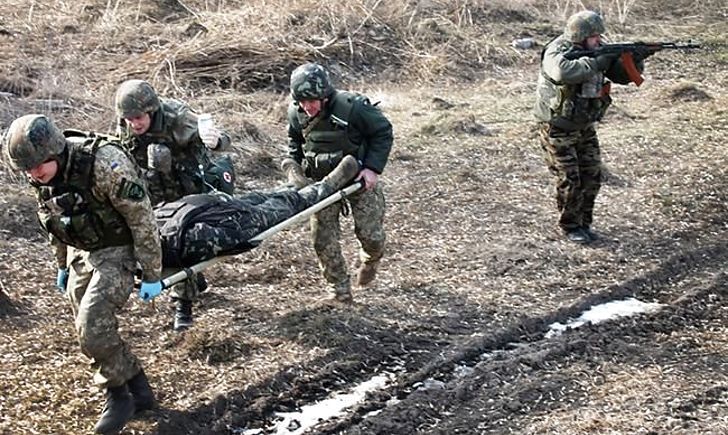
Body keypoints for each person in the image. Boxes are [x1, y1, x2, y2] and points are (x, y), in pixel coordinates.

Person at [3, 114, 163, 434]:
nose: (34, 174)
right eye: (28, 169)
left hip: (119, 247)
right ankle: (139, 387)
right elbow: (53, 220)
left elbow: (141, 216)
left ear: (54, 150)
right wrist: (62, 264)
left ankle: (118, 397)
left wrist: (151, 271)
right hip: (83, 250)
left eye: (38, 166)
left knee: (92, 324)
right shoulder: (41, 175)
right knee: (87, 330)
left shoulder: (104, 163)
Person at [114, 79, 233, 330]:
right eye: (129, 119)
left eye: (139, 118)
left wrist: (215, 140)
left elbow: (222, 140)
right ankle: (193, 280)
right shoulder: (125, 124)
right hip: (154, 188)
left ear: (151, 110)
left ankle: (183, 304)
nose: (134, 124)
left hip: (187, 186)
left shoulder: (178, 118)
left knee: (178, 238)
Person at [282, 63, 393, 303]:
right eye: (302, 101)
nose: (307, 107)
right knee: (323, 240)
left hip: (358, 180)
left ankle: (370, 259)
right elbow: (294, 142)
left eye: (312, 101)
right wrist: (294, 168)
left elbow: (383, 131)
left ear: (324, 95)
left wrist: (372, 169)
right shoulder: (296, 113)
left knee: (371, 236)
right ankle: (339, 289)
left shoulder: (353, 107)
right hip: (321, 185)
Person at [534, 10, 647, 243]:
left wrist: (636, 59)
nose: (599, 40)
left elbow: (622, 76)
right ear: (581, 35)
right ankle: (570, 226)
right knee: (570, 178)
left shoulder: (597, 49)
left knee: (592, 175)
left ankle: (584, 223)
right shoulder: (557, 50)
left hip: (584, 125)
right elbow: (562, 72)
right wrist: (597, 62)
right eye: (594, 36)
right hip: (557, 127)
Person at [157, 155, 360, 269]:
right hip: (195, 215)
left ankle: (310, 185)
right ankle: (311, 185)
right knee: (272, 202)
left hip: (203, 220)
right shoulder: (147, 225)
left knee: (273, 204)